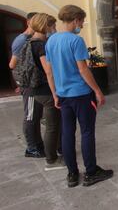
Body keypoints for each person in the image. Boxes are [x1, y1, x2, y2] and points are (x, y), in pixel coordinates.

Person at [45, 5, 113, 187]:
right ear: (75, 19)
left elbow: (49, 72)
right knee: (87, 132)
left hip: (63, 95)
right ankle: (91, 172)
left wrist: (55, 94)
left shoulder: (50, 41)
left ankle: (72, 174)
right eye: (81, 21)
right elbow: (83, 69)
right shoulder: (76, 41)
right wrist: (98, 91)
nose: (81, 25)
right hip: (81, 95)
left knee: (67, 133)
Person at [28, 13, 65, 171]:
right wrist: (55, 93)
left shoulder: (29, 42)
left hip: (35, 89)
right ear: (46, 26)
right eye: (53, 26)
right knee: (52, 126)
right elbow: (48, 71)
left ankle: (57, 151)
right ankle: (51, 160)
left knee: (53, 124)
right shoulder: (41, 45)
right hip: (46, 91)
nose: (54, 29)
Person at [9, 12, 45, 158]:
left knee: (36, 115)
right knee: (30, 115)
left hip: (34, 84)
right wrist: (21, 82)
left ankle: (38, 144)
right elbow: (13, 64)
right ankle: (31, 148)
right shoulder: (22, 40)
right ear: (30, 22)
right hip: (29, 85)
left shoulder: (31, 39)